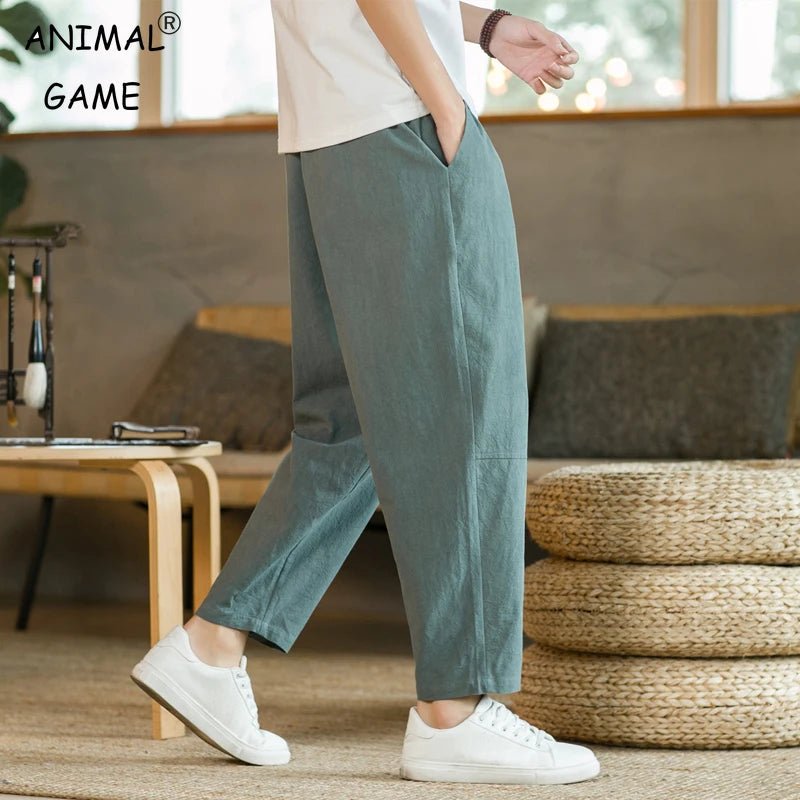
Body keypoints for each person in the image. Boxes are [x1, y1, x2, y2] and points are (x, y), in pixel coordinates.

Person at [131, 0, 601, 786]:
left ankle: (212, 645)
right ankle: (456, 710)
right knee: (463, 412)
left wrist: (482, 28)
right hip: (401, 123)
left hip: (330, 133)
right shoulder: (422, 110)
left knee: (350, 422)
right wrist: (446, 105)